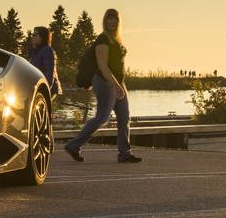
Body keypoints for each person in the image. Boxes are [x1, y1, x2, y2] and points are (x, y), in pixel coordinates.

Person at [63, 8, 142, 164]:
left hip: (118, 84)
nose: (113, 21)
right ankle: (73, 144)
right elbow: (102, 66)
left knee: (124, 118)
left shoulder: (116, 39)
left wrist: (119, 85)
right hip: (105, 83)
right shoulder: (103, 39)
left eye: (115, 19)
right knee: (102, 118)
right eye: (109, 18)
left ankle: (124, 153)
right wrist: (115, 85)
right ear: (105, 21)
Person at [27, 26, 61, 99]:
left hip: (47, 89)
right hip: (37, 88)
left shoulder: (47, 50)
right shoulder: (34, 52)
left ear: (42, 37)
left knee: (40, 108)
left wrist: (45, 90)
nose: (32, 37)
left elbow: (49, 72)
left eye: (34, 34)